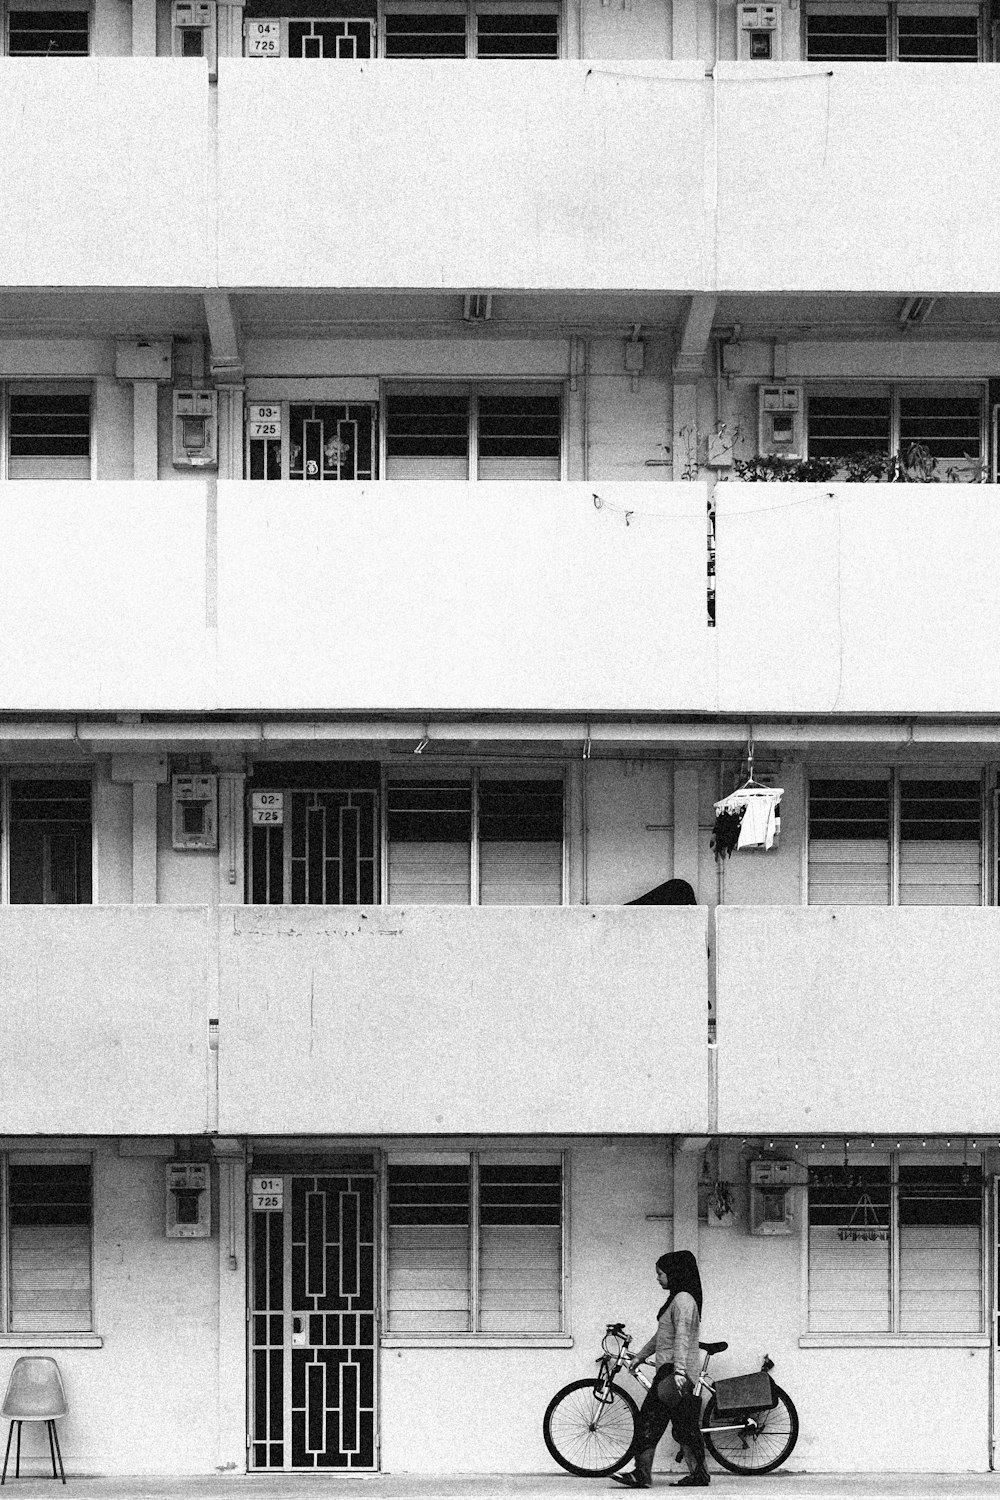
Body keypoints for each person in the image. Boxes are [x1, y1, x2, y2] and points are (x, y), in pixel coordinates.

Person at [611, 1250, 710, 1489]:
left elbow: (682, 1338)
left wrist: (678, 1371)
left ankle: (641, 1474)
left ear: (674, 1273)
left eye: (661, 1273)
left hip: (673, 1374)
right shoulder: (678, 1299)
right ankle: (699, 1475)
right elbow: (662, 1337)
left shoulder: (683, 1300)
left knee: (649, 1420)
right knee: (684, 1426)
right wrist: (641, 1356)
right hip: (672, 1372)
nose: (658, 1278)